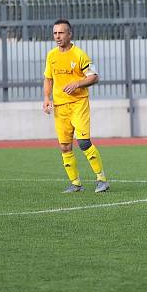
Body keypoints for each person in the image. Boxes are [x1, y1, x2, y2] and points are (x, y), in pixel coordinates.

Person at [42, 19, 110, 193]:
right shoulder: (51, 56)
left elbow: (94, 77)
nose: (57, 36)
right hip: (60, 107)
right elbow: (48, 79)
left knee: (83, 142)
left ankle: (101, 179)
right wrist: (46, 98)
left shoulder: (79, 54)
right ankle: (75, 183)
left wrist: (78, 83)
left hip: (78, 104)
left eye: (61, 33)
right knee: (65, 146)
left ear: (69, 34)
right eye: (55, 33)